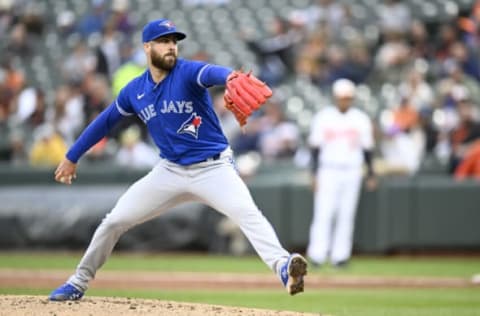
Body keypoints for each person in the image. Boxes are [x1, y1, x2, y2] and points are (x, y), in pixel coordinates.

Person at [49, 18, 307, 301]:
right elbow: (106, 121)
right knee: (114, 221)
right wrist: (72, 156)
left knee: (248, 215)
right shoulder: (135, 90)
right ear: (148, 47)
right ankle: (78, 282)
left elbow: (211, 73)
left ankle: (283, 267)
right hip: (169, 171)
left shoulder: (186, 72)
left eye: (174, 41)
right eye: (164, 41)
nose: (171, 47)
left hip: (213, 168)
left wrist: (231, 77)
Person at [307, 78, 376, 268]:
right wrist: (313, 174)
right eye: (342, 98)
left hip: (352, 170)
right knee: (323, 213)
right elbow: (315, 148)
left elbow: (367, 149)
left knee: (347, 214)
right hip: (328, 169)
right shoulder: (324, 117)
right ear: (335, 97)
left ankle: (341, 256)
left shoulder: (360, 118)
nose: (345, 101)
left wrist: (371, 173)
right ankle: (317, 255)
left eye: (348, 98)